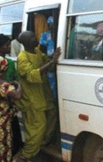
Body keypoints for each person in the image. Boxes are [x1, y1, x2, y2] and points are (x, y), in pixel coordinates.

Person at [13, 30, 61, 161]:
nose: (36, 38)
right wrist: (52, 62)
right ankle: (25, 155)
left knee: (52, 116)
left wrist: (53, 61)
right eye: (33, 37)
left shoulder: (38, 52)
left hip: (45, 95)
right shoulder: (22, 58)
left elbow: (49, 65)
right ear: (26, 42)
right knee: (37, 128)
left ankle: (42, 144)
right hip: (32, 99)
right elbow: (31, 75)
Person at [0, 34, 23, 156]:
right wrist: (16, 86)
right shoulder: (3, 85)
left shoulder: (9, 61)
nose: (9, 47)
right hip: (7, 103)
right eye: (6, 45)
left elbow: (14, 77)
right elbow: (17, 93)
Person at [39, 16, 57, 100]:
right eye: (50, 24)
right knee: (51, 84)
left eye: (53, 24)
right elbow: (42, 49)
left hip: (58, 60)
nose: (52, 26)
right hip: (49, 60)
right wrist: (49, 57)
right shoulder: (45, 34)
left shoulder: (59, 34)